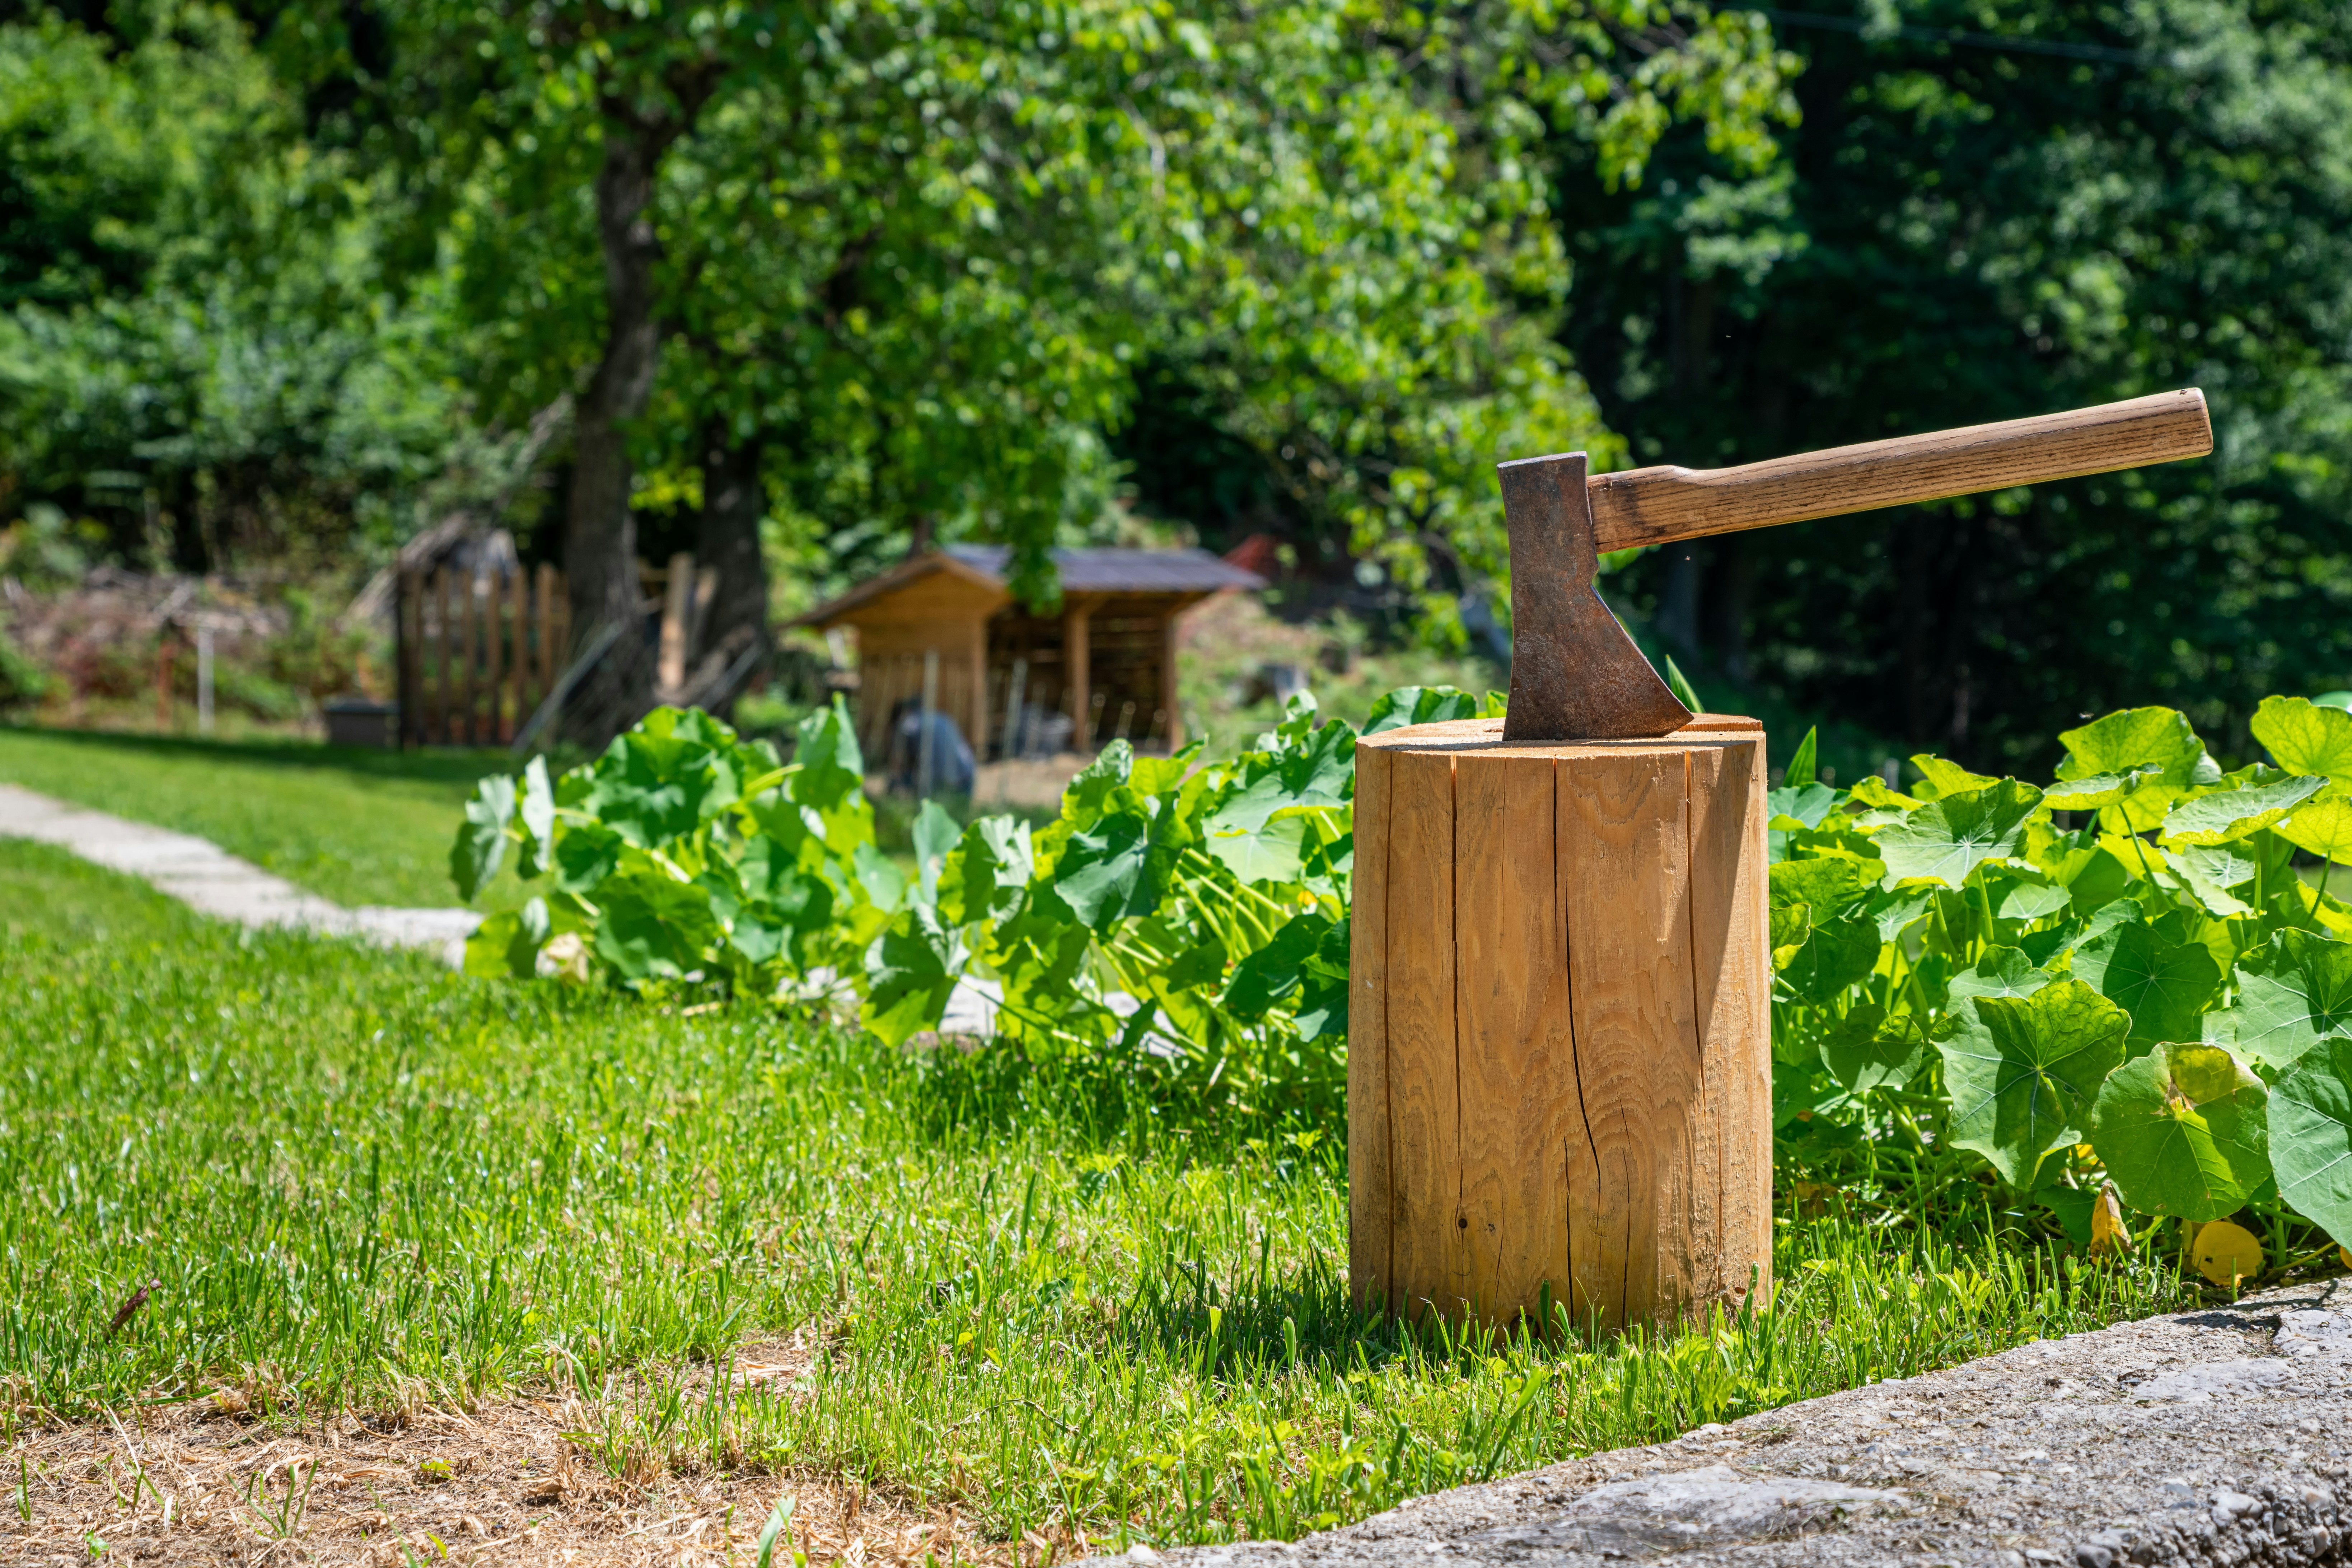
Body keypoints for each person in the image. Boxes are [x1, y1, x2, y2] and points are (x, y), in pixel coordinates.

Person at [888, 698, 976, 794]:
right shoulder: (942, 717)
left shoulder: (908, 724)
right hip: (968, 777)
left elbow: (897, 761)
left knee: (899, 781)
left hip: (943, 782)